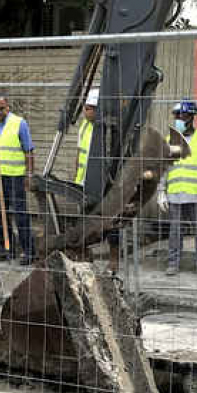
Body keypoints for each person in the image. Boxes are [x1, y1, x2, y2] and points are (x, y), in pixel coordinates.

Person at [157, 98, 197, 278]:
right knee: (175, 232)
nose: (178, 119)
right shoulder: (172, 139)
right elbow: (166, 167)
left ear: (191, 117)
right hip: (176, 195)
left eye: (181, 115)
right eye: (176, 115)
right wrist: (161, 191)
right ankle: (172, 263)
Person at [0, 94, 36, 264]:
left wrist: (29, 175)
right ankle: (6, 249)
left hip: (16, 177)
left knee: (20, 215)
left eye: (2, 108)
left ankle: (28, 251)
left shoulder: (19, 123)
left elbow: (29, 151)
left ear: (8, 108)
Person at [73, 89, 121, 274]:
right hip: (84, 182)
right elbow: (79, 154)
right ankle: (85, 255)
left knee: (111, 222)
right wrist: (76, 174)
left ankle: (114, 259)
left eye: (90, 108)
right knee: (85, 221)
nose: (86, 111)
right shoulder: (84, 126)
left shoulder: (108, 129)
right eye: (85, 108)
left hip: (105, 184)